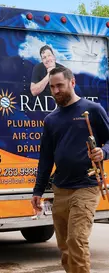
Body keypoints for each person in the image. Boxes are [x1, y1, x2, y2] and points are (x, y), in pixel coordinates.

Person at [31, 66, 109, 273]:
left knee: (76, 240)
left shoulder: (93, 110)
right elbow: (46, 158)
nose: (56, 91)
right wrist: (38, 191)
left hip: (87, 186)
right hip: (60, 189)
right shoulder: (51, 120)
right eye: (52, 87)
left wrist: (104, 152)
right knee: (65, 246)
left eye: (60, 86)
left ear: (72, 83)